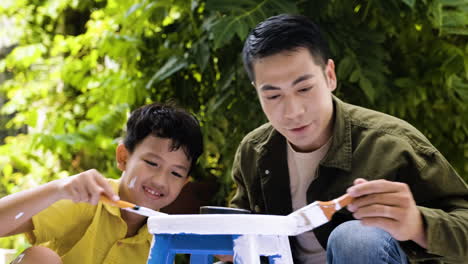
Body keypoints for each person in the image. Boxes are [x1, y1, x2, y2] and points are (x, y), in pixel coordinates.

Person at [229, 14, 468, 264]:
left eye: (304, 89)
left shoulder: (392, 144)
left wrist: (418, 224)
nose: (293, 112)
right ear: (256, 91)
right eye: (273, 96)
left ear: (330, 75)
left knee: (355, 238)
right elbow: (237, 230)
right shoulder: (254, 151)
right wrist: (229, 244)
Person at [0, 102, 204, 264]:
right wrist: (58, 189)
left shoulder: (164, 239)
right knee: (39, 258)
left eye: (176, 173)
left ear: (185, 183)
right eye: (152, 163)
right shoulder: (88, 201)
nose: (160, 181)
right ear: (123, 157)